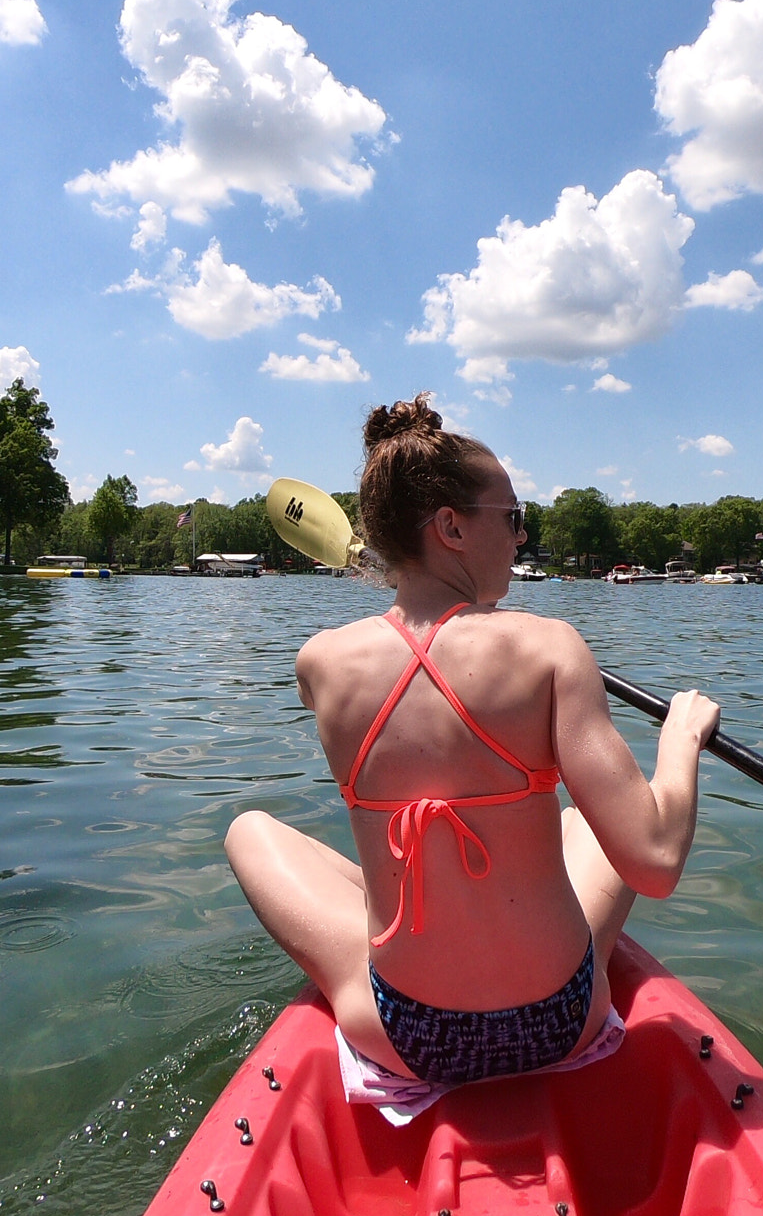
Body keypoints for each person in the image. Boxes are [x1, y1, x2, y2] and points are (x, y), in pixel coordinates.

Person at [226, 394, 720, 1084]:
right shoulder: (552, 649)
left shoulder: (321, 663)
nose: (520, 538)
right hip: (559, 1025)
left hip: (408, 1036)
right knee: (587, 822)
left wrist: (403, 583)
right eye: (513, 518)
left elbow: (412, 647)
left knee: (249, 829)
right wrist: (681, 739)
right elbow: (655, 862)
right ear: (451, 527)